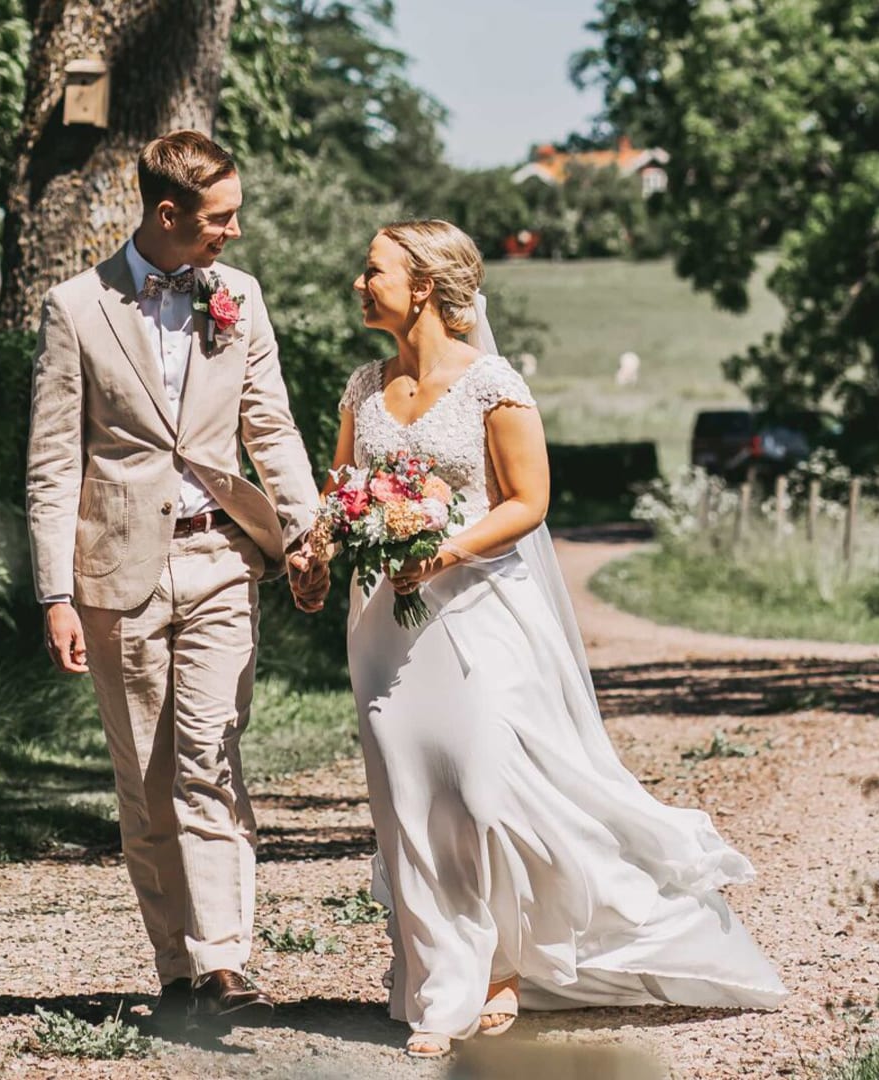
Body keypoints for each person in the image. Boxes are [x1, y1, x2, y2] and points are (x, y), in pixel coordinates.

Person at [330, 219, 787, 1058]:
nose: (360, 284)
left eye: (373, 271)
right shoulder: (365, 387)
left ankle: (506, 961)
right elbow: (344, 489)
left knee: (480, 793)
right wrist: (323, 545)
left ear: (423, 285)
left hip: (479, 613)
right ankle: (445, 984)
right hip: (384, 630)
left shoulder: (492, 385)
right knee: (406, 801)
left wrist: (441, 550)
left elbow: (528, 501)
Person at [24, 130, 329, 1025]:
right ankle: (177, 968)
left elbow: (270, 426)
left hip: (221, 556)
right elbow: (53, 463)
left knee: (209, 755)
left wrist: (306, 530)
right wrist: (54, 593)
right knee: (147, 778)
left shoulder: (241, 298)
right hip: (115, 570)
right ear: (168, 214)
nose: (233, 232)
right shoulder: (75, 308)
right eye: (220, 218)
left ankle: (228, 962)